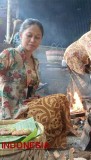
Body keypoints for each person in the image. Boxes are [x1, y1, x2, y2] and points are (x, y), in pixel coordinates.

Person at [0, 18, 72, 149]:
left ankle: (46, 144)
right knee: (57, 101)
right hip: (10, 111)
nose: (33, 40)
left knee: (61, 99)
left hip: (26, 105)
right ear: (21, 35)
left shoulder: (35, 61)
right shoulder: (9, 54)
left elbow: (30, 89)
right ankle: (39, 143)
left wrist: (33, 98)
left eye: (37, 37)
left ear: (41, 40)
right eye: (29, 35)